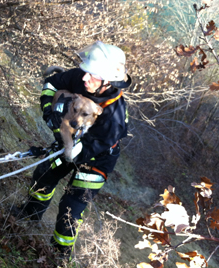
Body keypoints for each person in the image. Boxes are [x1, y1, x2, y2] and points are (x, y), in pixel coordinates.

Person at [16, 41, 132, 259]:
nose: (84, 78)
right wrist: (49, 110)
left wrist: (66, 145)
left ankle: (59, 255)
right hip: (70, 144)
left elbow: (90, 148)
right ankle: (30, 215)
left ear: (108, 81)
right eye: (86, 72)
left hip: (97, 160)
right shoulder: (82, 77)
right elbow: (51, 84)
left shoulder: (115, 116)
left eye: (92, 75)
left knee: (72, 205)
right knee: (44, 174)